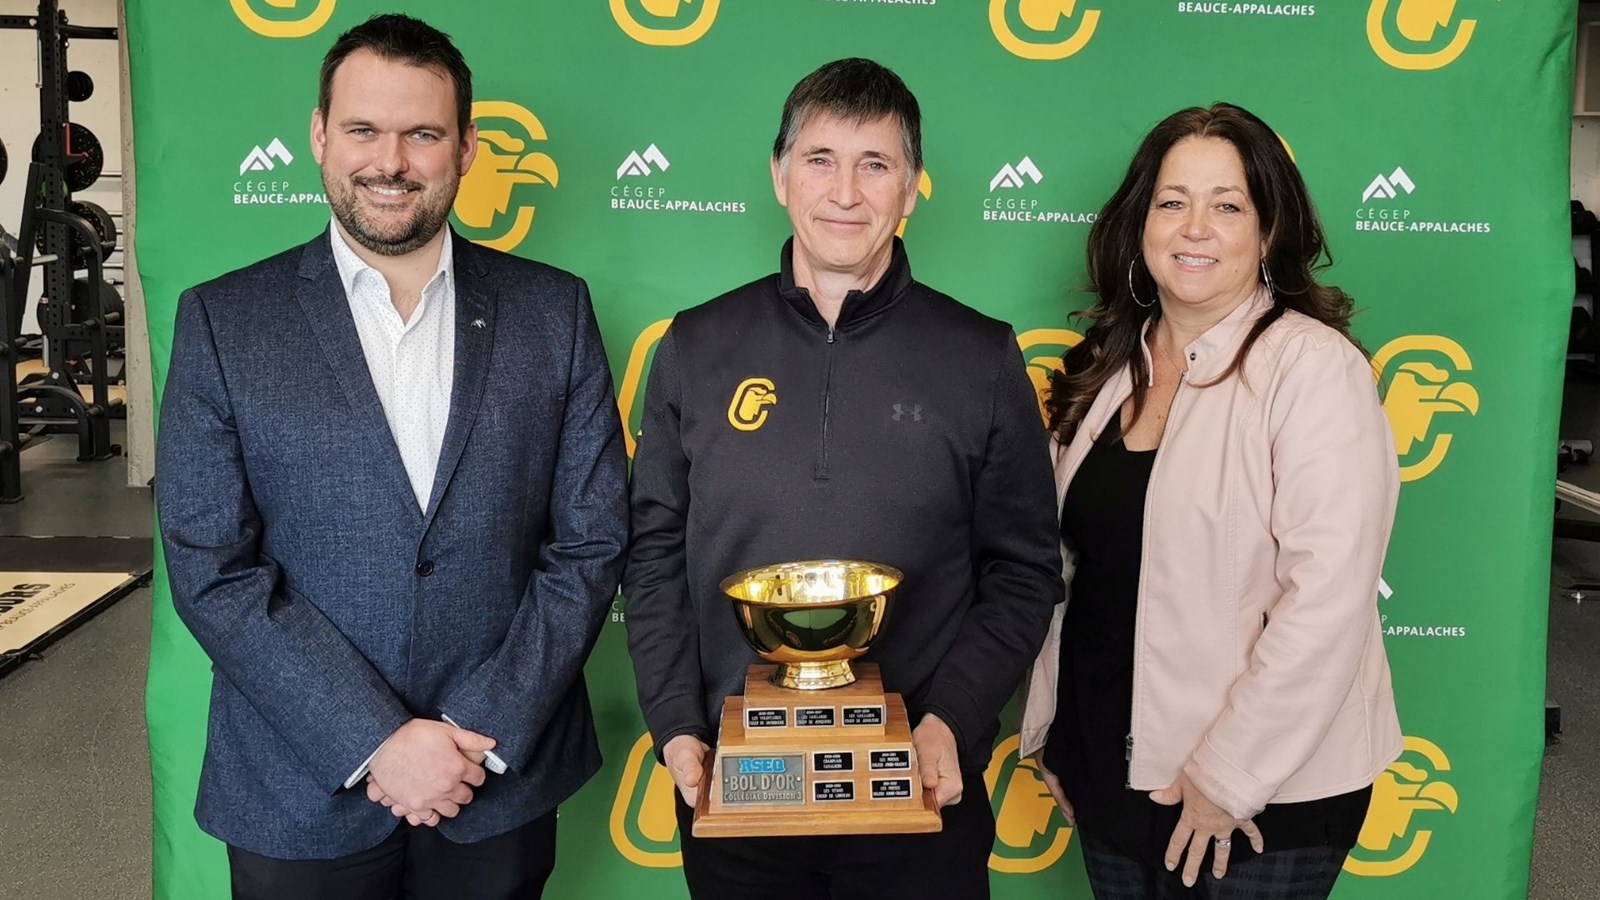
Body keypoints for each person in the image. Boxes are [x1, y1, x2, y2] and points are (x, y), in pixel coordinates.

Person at [155, 14, 627, 899]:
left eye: (423, 135)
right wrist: (374, 738)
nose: (391, 162)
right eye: (364, 130)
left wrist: (478, 730)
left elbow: (591, 543)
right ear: (320, 136)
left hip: (494, 779)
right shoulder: (225, 321)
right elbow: (209, 566)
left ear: (467, 148)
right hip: (296, 785)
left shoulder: (553, 312)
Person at [622, 57, 1063, 900]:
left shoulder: (981, 356)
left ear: (912, 187)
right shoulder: (694, 347)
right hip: (737, 783)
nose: (846, 193)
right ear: (780, 176)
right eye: (820, 159)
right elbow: (652, 557)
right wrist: (677, 727)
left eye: (876, 165)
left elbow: (1024, 570)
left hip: (918, 784)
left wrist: (950, 722)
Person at [1018, 103, 1403, 900]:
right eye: (1172, 202)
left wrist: (1230, 776)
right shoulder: (1106, 366)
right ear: (1141, 223)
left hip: (1259, 797)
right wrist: (1057, 730)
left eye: (1227, 205)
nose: (1195, 228)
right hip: (1107, 771)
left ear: (1269, 233)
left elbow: (1327, 598)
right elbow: (1080, 574)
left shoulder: (1312, 370)